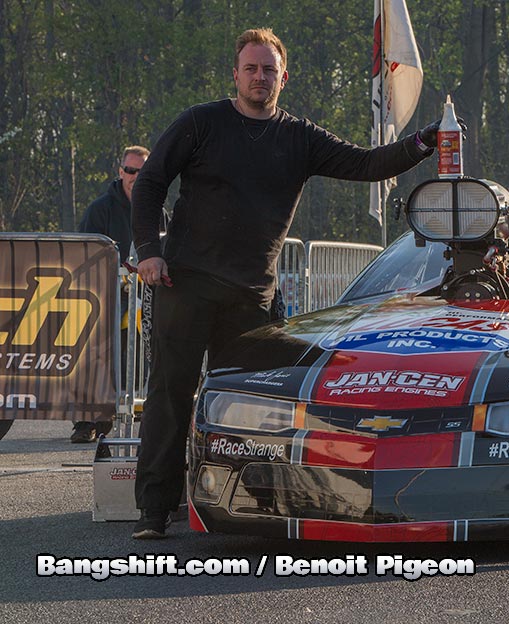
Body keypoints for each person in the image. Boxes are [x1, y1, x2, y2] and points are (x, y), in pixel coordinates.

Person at [129, 28, 441, 539]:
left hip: (252, 297)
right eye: (251, 69)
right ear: (235, 75)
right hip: (186, 283)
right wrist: (149, 251)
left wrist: (423, 142)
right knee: (170, 395)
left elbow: (366, 164)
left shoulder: (300, 137)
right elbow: (149, 183)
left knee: (252, 404)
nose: (260, 77)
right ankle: (154, 510)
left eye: (268, 70)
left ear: (283, 77)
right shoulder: (201, 123)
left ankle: (241, 503)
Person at [72, 145, 150, 443]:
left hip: (145, 300)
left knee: (152, 354)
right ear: (120, 172)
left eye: (142, 171)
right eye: (130, 170)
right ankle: (87, 422)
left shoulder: (157, 211)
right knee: (96, 357)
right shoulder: (99, 209)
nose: (135, 176)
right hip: (104, 300)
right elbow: (83, 255)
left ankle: (146, 417)